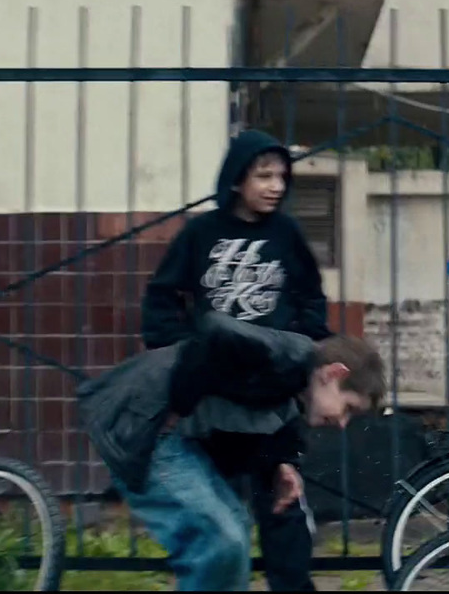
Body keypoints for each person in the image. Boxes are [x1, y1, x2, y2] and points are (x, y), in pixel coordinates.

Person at [139, 128, 334, 591]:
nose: (275, 186)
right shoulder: (201, 233)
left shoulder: (286, 234)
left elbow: (312, 299)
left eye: (282, 176)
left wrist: (296, 344)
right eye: (263, 175)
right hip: (215, 401)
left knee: (284, 514)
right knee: (219, 525)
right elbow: (162, 298)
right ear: (236, 179)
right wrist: (185, 347)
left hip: (272, 400)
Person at [78, 313, 387, 592]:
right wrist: (178, 404)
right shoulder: (289, 356)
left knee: (235, 531)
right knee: (220, 538)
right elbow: (215, 329)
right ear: (334, 373)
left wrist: (280, 465)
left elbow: (263, 422)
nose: (343, 423)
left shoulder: (294, 384)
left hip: (174, 437)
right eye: (348, 408)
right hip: (144, 426)